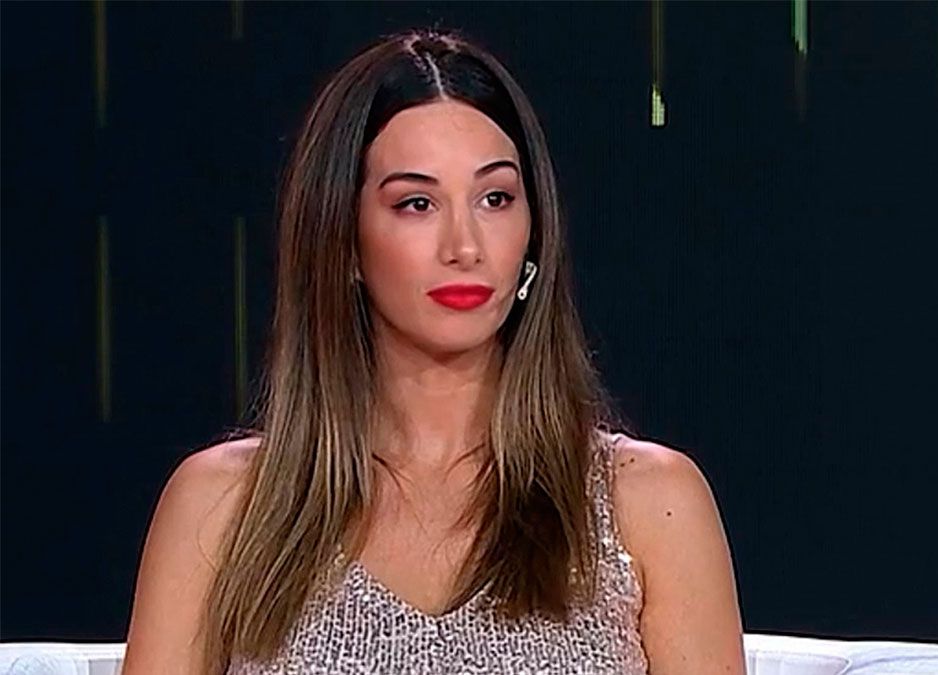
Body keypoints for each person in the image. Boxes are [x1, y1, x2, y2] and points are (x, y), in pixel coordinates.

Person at [123, 27, 744, 675]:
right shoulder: (223, 508)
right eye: (417, 203)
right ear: (343, 241)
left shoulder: (647, 506)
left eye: (495, 199)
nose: (465, 246)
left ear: (534, 233)